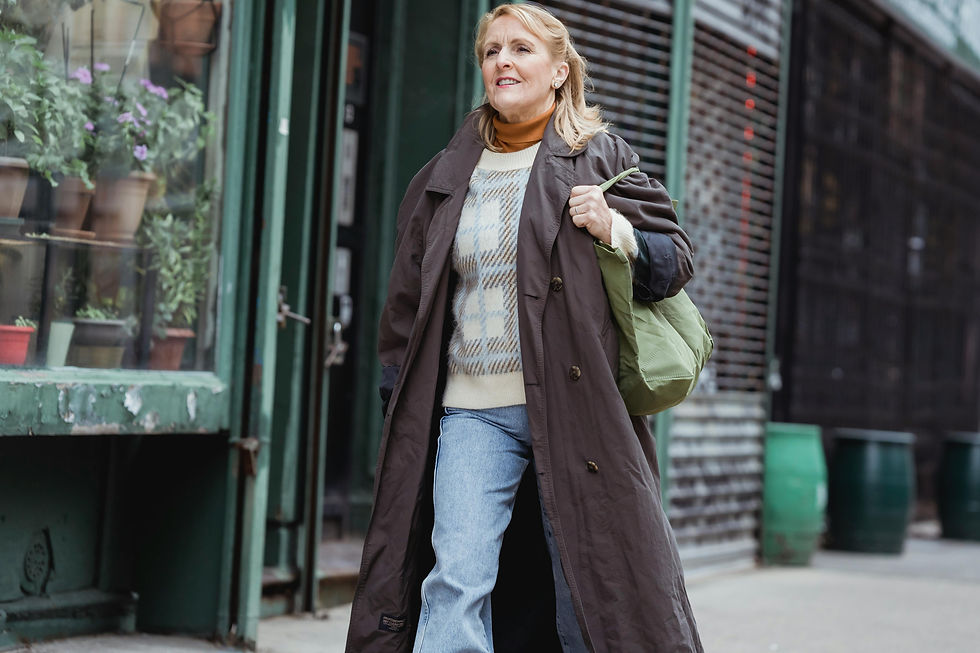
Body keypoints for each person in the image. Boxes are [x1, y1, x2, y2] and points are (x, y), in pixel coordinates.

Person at [346, 4, 703, 652]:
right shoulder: (446, 174)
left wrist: (615, 228)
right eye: (492, 51)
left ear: (560, 71)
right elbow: (406, 302)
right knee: (455, 576)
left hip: (574, 405)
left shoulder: (600, 158)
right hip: (471, 411)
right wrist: (398, 394)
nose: (503, 62)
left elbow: (674, 261)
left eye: (521, 49)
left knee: (593, 583)